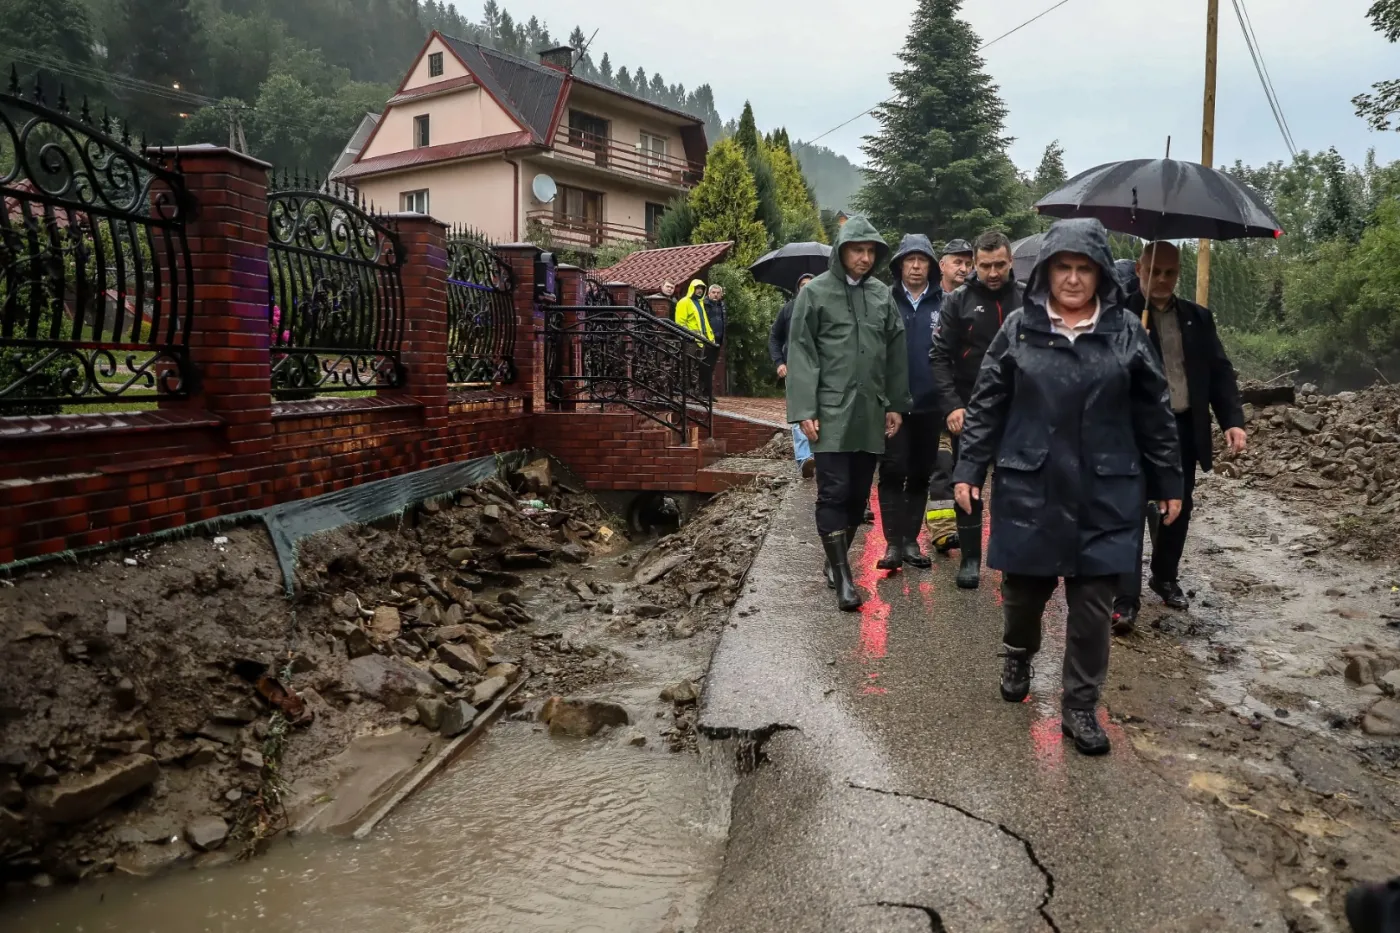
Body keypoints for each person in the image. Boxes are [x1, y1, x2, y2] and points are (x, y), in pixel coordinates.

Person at [952, 218, 1183, 755]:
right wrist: (968, 469)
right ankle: (1018, 650)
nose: (1074, 279)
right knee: (1024, 597)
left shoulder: (1127, 329)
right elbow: (987, 404)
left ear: (1100, 273)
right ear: (1047, 273)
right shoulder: (1019, 330)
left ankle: (1080, 706)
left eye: (1085, 268)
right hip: (1033, 484)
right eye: (1064, 267)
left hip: (1106, 489)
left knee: (1092, 609)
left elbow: (1156, 413)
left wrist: (1169, 478)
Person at [1111, 241, 1247, 633]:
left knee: (1178, 505)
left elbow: (1219, 371)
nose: (1163, 280)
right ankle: (1125, 599)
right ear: (1139, 270)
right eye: (1155, 272)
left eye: (1170, 272)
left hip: (1183, 427)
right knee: (1129, 510)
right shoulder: (1120, 315)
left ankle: (1164, 575)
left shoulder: (1198, 318)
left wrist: (1231, 421)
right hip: (1133, 432)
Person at [787, 215, 911, 611]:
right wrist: (805, 409)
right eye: (857, 250)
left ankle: (833, 557)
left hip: (869, 411)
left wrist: (894, 403)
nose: (864, 257)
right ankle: (843, 577)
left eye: (870, 250)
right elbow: (802, 352)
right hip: (829, 411)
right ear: (841, 252)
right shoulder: (816, 294)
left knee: (858, 497)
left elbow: (895, 353)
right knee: (834, 491)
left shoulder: (881, 295)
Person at [930, 230, 1022, 589]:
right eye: (985, 266)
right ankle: (970, 559)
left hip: (1017, 410)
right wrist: (952, 404)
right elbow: (938, 357)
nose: (994, 272)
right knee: (968, 482)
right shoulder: (958, 302)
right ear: (975, 265)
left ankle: (1010, 557)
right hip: (971, 410)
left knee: (1012, 487)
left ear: (1010, 261)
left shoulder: (1027, 299)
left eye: (1000, 264)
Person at [876, 234, 942, 571]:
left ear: (931, 265)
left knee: (919, 472)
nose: (916, 266)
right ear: (899, 264)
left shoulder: (943, 303)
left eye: (922, 260)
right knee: (892, 468)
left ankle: (911, 540)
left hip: (931, 405)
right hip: (892, 406)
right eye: (909, 260)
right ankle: (891, 545)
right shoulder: (884, 301)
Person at [770, 273, 818, 478]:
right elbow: (774, 336)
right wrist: (779, 362)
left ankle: (820, 456)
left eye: (811, 285)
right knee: (800, 411)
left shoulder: (823, 308)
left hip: (820, 368)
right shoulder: (788, 309)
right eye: (803, 285)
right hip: (795, 368)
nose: (806, 288)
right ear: (798, 288)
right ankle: (804, 459)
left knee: (819, 411)